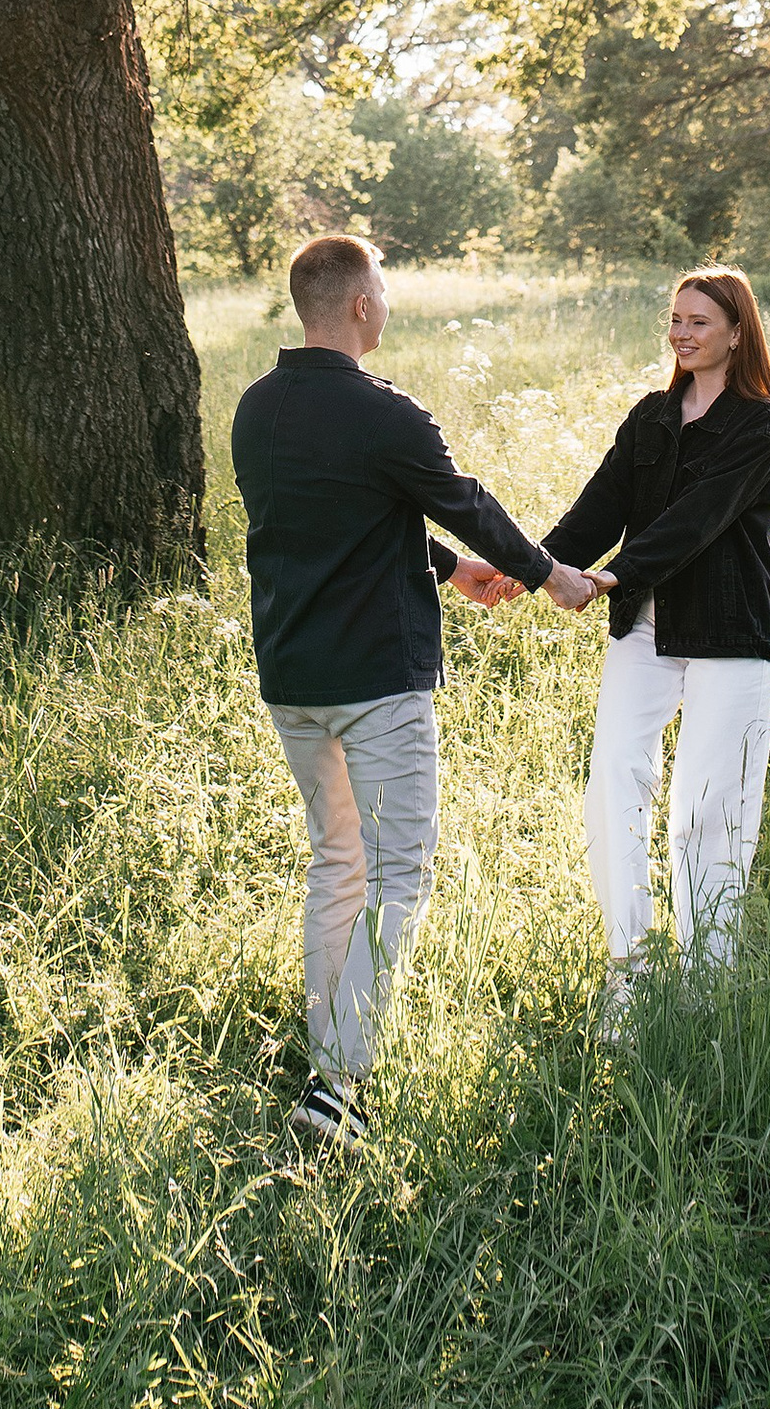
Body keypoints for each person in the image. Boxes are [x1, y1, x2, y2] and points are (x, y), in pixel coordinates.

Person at [232, 233, 600, 1143]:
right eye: (383, 290)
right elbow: (463, 497)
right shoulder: (386, 414)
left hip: (293, 676)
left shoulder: (256, 408)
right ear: (360, 304)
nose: (387, 303)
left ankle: (327, 1051)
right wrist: (552, 576)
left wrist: (444, 568)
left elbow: (331, 522)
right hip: (375, 684)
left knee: (337, 862)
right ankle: (338, 1086)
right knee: (402, 877)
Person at [458, 268, 770, 1005]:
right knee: (613, 786)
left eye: (699, 321)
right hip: (643, 633)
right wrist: (529, 567)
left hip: (730, 634)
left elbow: (697, 520)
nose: (682, 332)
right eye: (676, 319)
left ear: (738, 331)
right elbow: (598, 509)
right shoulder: (650, 417)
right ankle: (630, 977)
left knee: (709, 811)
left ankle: (707, 984)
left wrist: (610, 578)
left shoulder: (760, 426)